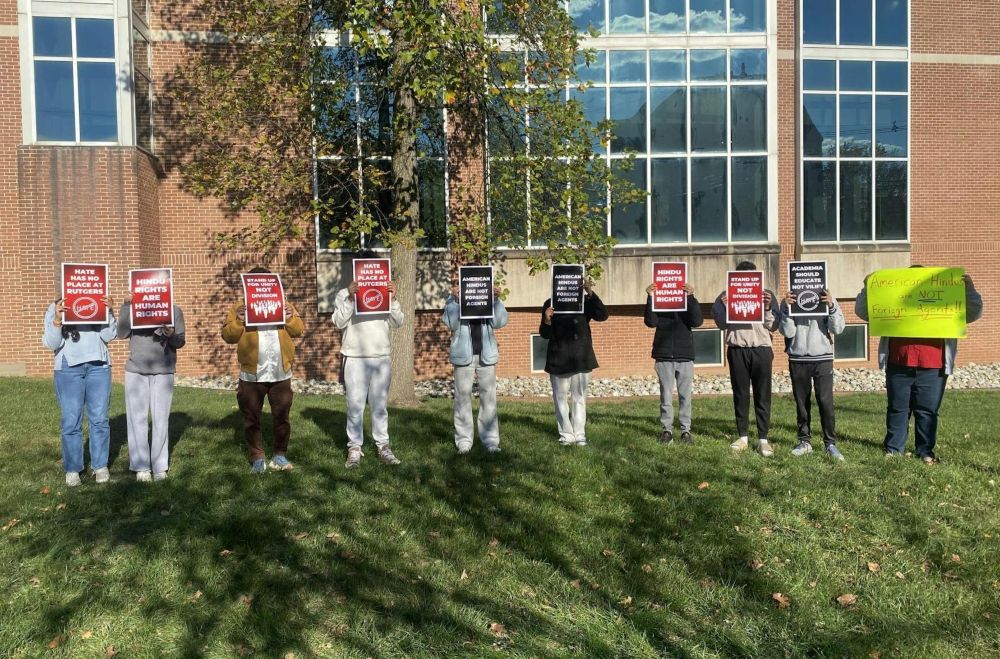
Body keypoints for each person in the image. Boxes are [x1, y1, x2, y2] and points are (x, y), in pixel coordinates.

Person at [855, 269, 983, 463]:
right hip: (898, 362)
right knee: (898, 408)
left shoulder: (945, 300)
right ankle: (893, 449)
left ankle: (925, 452)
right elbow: (863, 312)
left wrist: (969, 290)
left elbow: (973, 313)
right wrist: (867, 289)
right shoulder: (893, 300)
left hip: (934, 364)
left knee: (927, 410)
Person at [221, 268, 304, 473]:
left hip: (280, 372)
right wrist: (239, 320)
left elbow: (298, 330)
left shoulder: (285, 305)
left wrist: (290, 316)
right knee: (251, 417)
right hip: (252, 373)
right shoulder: (239, 308)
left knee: (282, 416)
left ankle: (280, 455)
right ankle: (257, 457)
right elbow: (228, 337)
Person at [42, 295, 117, 487]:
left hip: (98, 367)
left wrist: (108, 311)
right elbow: (52, 343)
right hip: (68, 369)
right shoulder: (55, 307)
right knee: (71, 420)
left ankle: (100, 466)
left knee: (100, 418)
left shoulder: (97, 304)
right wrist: (57, 320)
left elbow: (109, 336)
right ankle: (73, 468)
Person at [333, 271, 404, 468]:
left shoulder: (385, 294)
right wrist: (350, 298)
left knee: (380, 406)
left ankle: (383, 446)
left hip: (381, 357)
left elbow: (398, 322)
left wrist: (394, 298)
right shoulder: (343, 295)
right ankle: (354, 447)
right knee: (355, 405)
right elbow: (338, 322)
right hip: (354, 357)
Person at [712, 261, 779, 456]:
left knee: (763, 394)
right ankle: (742, 436)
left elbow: (773, 325)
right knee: (740, 394)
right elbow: (722, 324)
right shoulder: (724, 296)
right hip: (737, 349)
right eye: (743, 277)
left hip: (761, 349)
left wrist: (767, 307)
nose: (748, 281)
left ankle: (763, 439)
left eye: (752, 276)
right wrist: (726, 307)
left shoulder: (767, 295)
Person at [117, 299, 186, 481]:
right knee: (136, 419)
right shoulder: (134, 309)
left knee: (161, 419)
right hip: (135, 369)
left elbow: (180, 342)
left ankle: (159, 466)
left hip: (164, 370)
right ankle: (141, 466)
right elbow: (121, 333)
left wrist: (171, 335)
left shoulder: (174, 311)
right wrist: (127, 306)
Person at [777, 288, 846, 461]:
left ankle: (830, 444)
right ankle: (804, 441)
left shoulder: (827, 297)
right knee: (801, 402)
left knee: (825, 401)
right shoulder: (790, 299)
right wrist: (786, 309)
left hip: (823, 357)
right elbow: (788, 332)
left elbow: (838, 329)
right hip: (798, 357)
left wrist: (831, 306)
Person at [442, 280, 509, 454]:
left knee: (489, 399)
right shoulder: (452, 301)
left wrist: (495, 300)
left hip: (486, 355)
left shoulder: (488, 298)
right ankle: (464, 441)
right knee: (462, 399)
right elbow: (451, 323)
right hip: (463, 357)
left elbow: (500, 322)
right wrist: (455, 301)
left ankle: (491, 440)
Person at [540, 278, 608, 446]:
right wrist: (547, 319)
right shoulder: (550, 303)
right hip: (558, 357)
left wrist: (590, 293)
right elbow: (545, 334)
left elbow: (602, 315)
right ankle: (566, 434)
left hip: (581, 358)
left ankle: (579, 434)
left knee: (579, 398)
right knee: (560, 398)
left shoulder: (584, 302)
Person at [644, 282, 703, 444]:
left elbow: (697, 321)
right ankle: (667, 431)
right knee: (666, 396)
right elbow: (650, 322)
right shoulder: (659, 302)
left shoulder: (686, 303)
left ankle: (685, 431)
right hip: (663, 356)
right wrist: (650, 297)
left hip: (685, 355)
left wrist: (690, 297)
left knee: (685, 396)